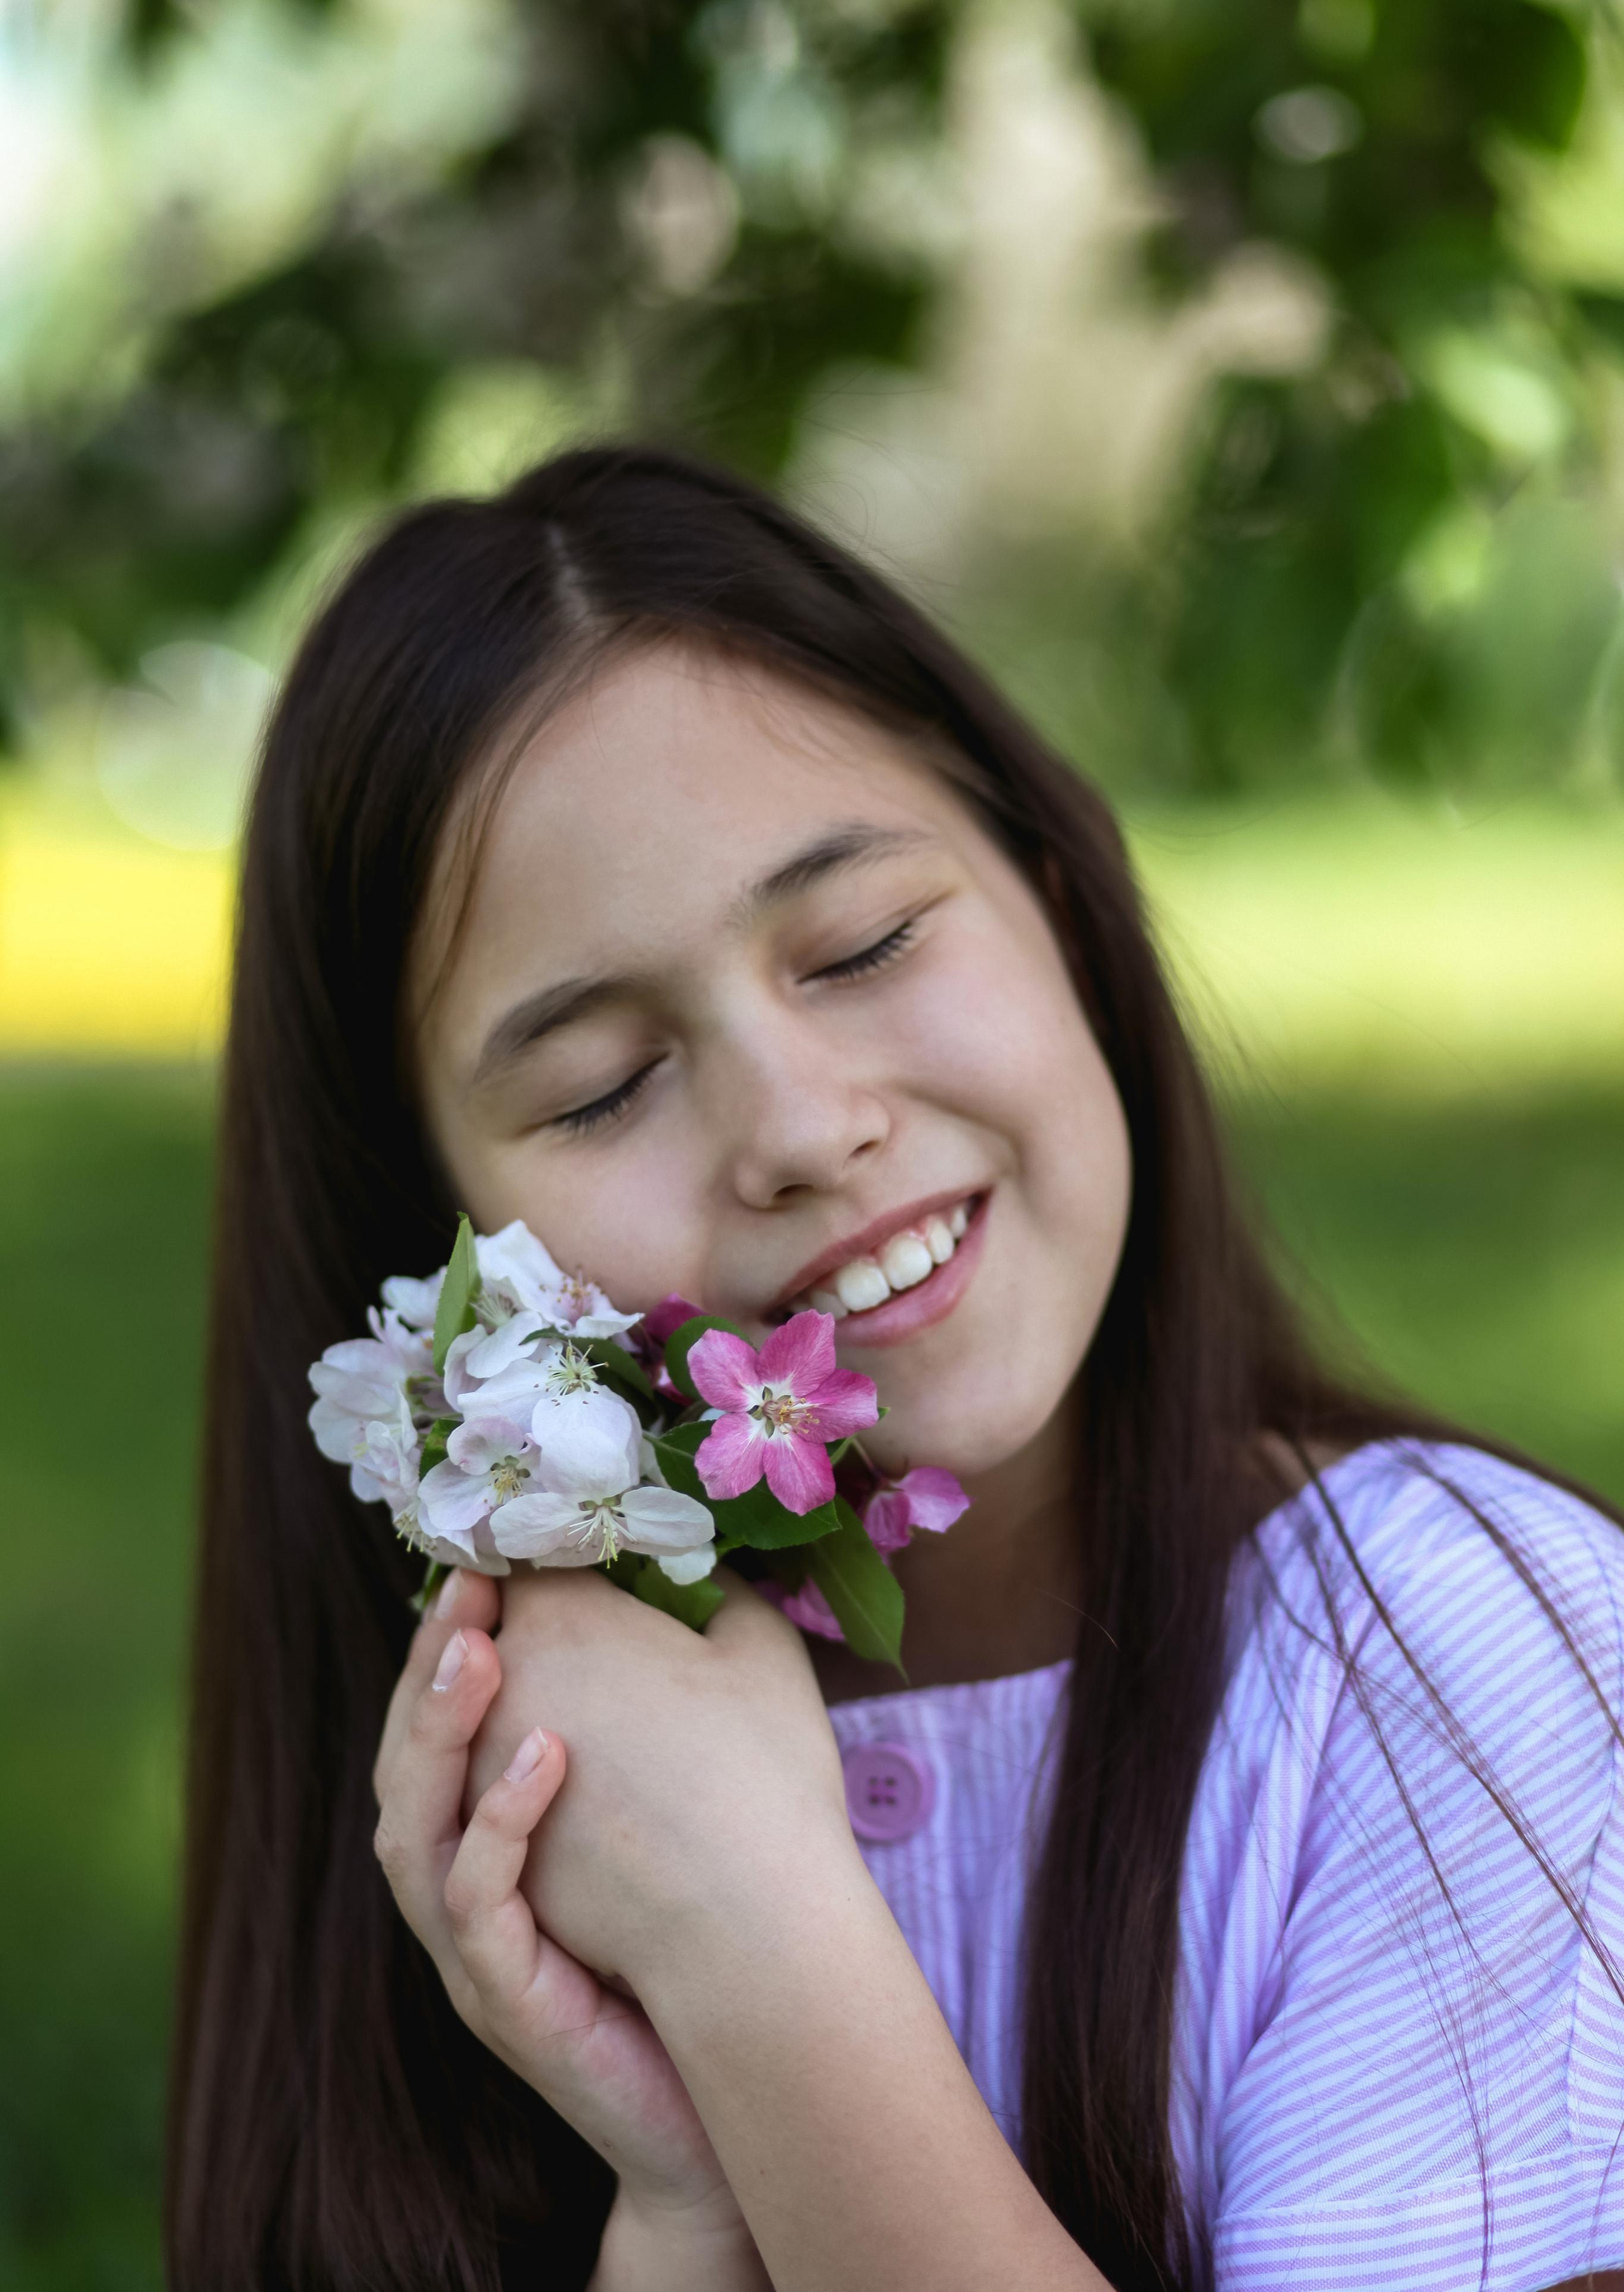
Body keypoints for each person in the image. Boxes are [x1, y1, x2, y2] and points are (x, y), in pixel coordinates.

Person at [167, 445, 1624, 2292]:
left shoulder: (1446, 1662)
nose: (801, 1127)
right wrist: (685, 2215)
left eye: (862, 945)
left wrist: (758, 1950)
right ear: (441, 1258)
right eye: (604, 1087)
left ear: (1059, 898)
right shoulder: (483, 1808)